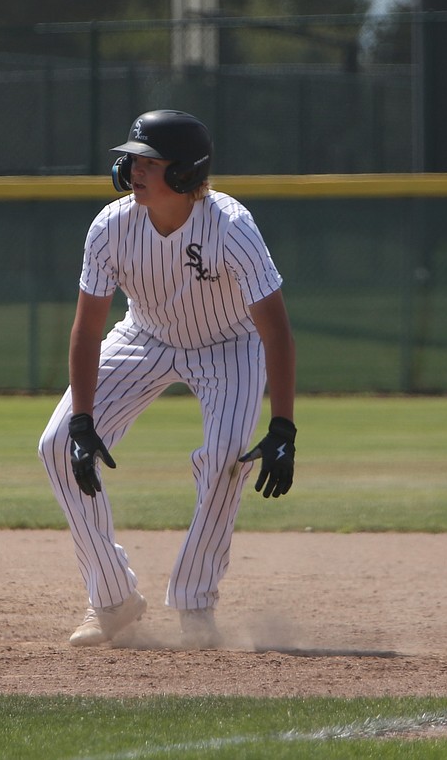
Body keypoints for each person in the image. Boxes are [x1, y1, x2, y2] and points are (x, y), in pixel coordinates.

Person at [37, 109, 297, 649]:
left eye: (149, 161)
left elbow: (275, 332)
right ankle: (111, 599)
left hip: (228, 345)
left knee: (227, 458)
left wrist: (283, 428)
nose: (134, 169)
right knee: (58, 444)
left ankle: (195, 604)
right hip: (144, 337)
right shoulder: (111, 226)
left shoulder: (231, 227)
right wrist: (84, 420)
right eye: (131, 158)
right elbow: (86, 332)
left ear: (184, 172)